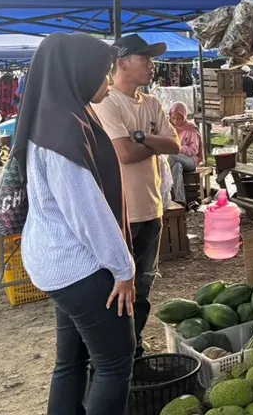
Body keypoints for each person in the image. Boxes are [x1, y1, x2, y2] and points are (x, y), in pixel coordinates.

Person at [17, 33, 136, 415]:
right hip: (78, 266)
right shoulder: (64, 131)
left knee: (70, 362)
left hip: (56, 260)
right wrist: (123, 269)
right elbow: (87, 213)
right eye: (102, 74)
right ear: (78, 74)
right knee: (115, 363)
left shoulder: (55, 115)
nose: (106, 81)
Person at [92, 33, 181, 357]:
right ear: (122, 63)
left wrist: (140, 138)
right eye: (144, 59)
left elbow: (175, 145)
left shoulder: (153, 102)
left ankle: (136, 346)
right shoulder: (105, 102)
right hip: (121, 213)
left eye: (151, 59)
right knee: (118, 287)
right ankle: (115, 352)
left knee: (144, 285)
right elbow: (123, 153)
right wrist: (151, 141)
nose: (151, 65)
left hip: (151, 208)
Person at [168, 102, 203, 210]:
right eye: (173, 118)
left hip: (191, 161)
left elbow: (194, 150)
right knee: (177, 166)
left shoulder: (191, 128)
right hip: (177, 161)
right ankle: (180, 201)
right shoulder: (169, 128)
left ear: (184, 116)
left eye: (179, 118)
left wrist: (178, 148)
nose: (176, 121)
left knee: (170, 157)